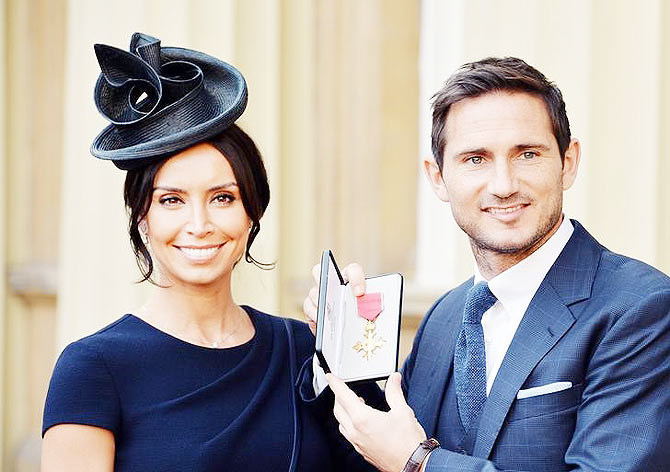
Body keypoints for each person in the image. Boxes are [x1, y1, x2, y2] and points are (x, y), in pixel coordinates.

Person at [302, 57, 670, 471]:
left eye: (527, 154)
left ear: (568, 162)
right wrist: (340, 346)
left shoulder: (642, 308)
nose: (503, 185)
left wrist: (421, 463)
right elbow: (374, 457)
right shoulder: (444, 316)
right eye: (475, 159)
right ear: (438, 177)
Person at [41, 32, 334, 472]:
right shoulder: (93, 367)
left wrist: (353, 343)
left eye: (222, 198)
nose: (199, 226)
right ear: (142, 217)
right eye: (172, 200)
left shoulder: (302, 350)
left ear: (251, 213)